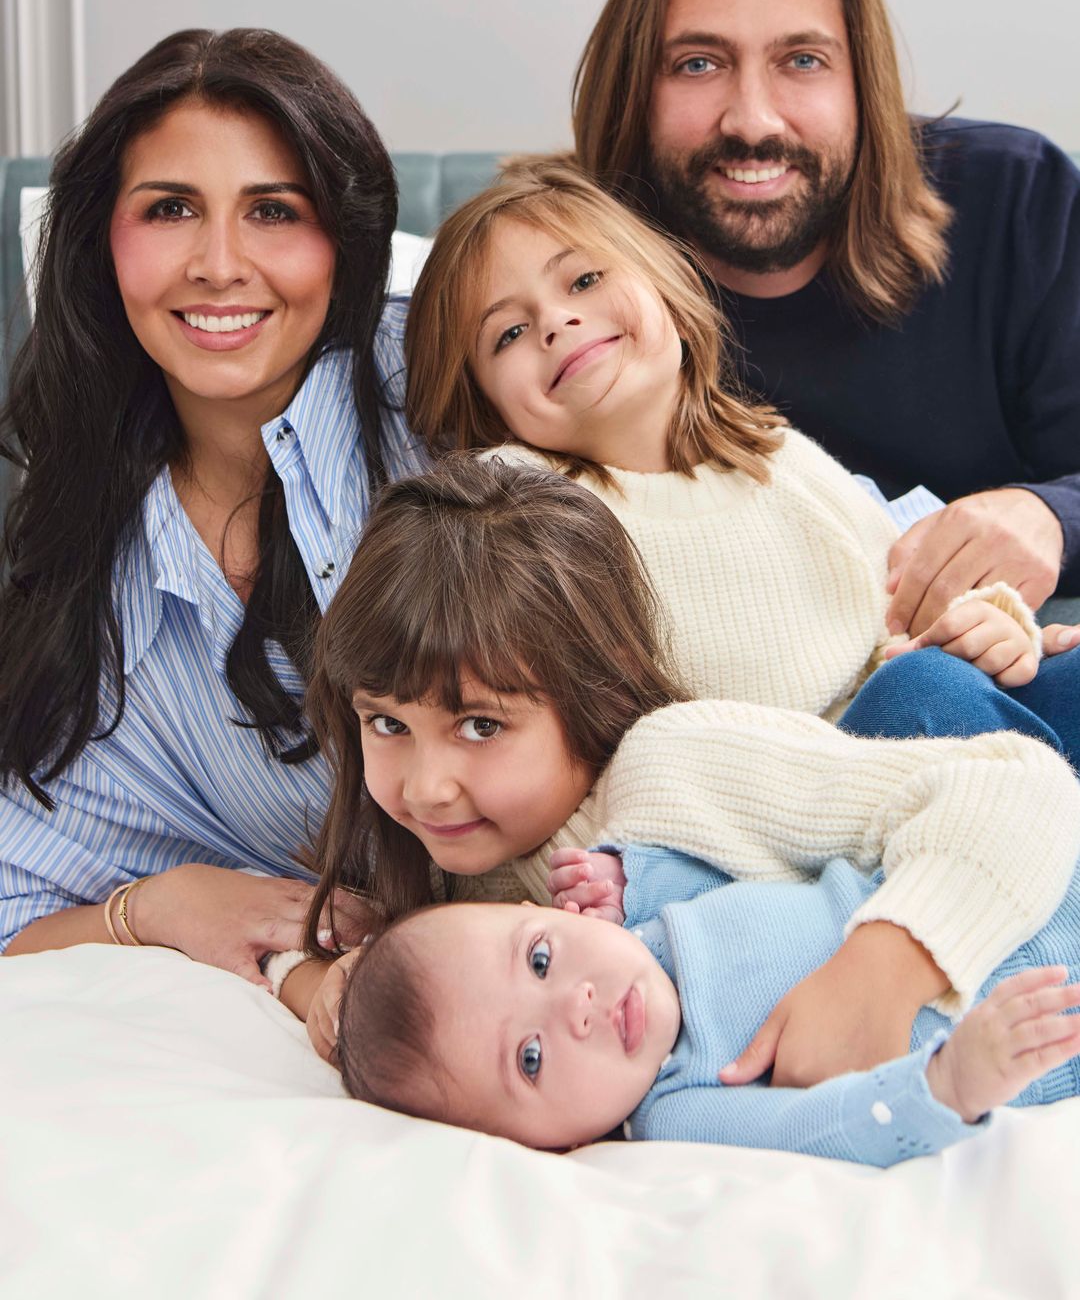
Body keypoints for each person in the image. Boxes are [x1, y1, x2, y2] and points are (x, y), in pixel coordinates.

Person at [293, 455, 1079, 1087]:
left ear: (588, 698)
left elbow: (1014, 786)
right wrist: (336, 985)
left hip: (1025, 789)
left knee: (919, 695)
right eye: (388, 723)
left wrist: (880, 971)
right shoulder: (453, 890)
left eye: (480, 725)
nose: (426, 786)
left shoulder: (677, 767)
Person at [403, 159, 1080, 759]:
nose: (556, 322)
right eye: (510, 333)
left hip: (905, 731)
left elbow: (902, 620)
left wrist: (988, 629)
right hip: (771, 804)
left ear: (665, 284)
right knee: (934, 693)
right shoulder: (521, 512)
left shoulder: (776, 457)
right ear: (485, 403)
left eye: (583, 279)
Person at [0, 28, 422, 982]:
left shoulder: (454, 385)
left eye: (273, 210)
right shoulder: (104, 580)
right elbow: (11, 900)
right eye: (172, 209)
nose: (219, 262)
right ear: (102, 238)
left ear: (343, 244)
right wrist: (151, 907)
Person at [570, 0, 1080, 634]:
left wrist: (1050, 516)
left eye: (802, 60)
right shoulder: (563, 279)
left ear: (862, 84)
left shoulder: (1019, 202)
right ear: (633, 91)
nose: (752, 119)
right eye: (698, 64)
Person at [325, 837, 1080, 1165]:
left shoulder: (649, 927)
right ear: (546, 1145)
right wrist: (950, 1084)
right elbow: (818, 1129)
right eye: (530, 1058)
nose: (577, 1005)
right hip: (1030, 1013)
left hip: (1001, 892)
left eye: (541, 957)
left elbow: (741, 854)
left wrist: (633, 871)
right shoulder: (680, 1106)